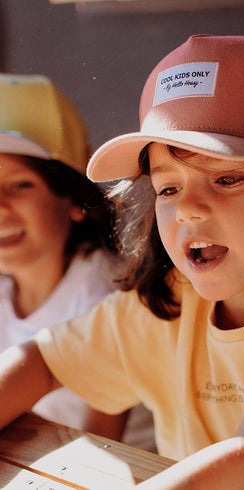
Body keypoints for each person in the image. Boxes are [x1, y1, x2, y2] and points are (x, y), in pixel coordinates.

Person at [0, 36, 244, 489]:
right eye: (168, 189)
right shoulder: (173, 299)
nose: (188, 209)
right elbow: (42, 360)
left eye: (227, 178)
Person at [0, 73, 155, 450]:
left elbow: (97, 450)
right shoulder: (5, 287)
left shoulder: (109, 292)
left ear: (73, 200)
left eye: (21, 185)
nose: (0, 208)